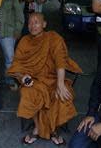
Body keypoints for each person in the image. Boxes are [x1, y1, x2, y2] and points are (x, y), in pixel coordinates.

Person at [8, 13, 82, 145]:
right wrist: (22, 77)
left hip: (54, 79)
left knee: (61, 94)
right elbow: (16, 66)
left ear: (44, 24)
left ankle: (53, 129)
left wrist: (60, 83)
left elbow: (60, 61)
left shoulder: (54, 38)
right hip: (34, 80)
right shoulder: (24, 41)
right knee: (28, 92)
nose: (32, 25)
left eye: (36, 22)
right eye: (30, 22)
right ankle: (37, 128)